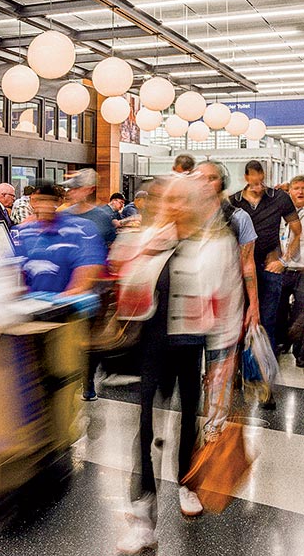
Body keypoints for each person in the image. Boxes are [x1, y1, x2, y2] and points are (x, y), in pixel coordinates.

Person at [114, 175, 243, 553]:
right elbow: (128, 289)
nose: (173, 207)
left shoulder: (216, 245)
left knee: (190, 419)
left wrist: (222, 359)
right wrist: (147, 250)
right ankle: (142, 514)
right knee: (146, 428)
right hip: (152, 344)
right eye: (168, 200)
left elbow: (229, 300)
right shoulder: (147, 237)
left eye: (180, 200)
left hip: (191, 345)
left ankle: (187, 482)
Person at [194, 160, 259, 439]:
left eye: (210, 178)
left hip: (225, 307)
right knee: (190, 369)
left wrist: (253, 305)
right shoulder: (186, 217)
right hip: (191, 305)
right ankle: (191, 422)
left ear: (222, 182)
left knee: (220, 369)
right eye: (199, 178)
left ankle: (215, 424)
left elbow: (247, 264)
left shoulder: (238, 218)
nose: (203, 183)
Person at [229, 159, 301, 358]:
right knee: (239, 320)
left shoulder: (279, 198)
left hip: (270, 266)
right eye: (253, 177)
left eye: (261, 176)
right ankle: (240, 370)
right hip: (240, 269)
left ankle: (262, 373)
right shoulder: (234, 201)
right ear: (246, 177)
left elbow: (297, 231)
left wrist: (284, 260)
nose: (258, 182)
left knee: (267, 320)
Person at [11, 180, 106, 295]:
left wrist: (59, 303)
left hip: (70, 305)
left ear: (58, 202)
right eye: (39, 200)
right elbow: (14, 271)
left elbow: (88, 272)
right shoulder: (25, 232)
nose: (44, 206)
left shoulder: (80, 229)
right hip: (33, 302)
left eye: (48, 201)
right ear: (32, 202)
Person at [279, 175, 304, 366]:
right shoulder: (281, 213)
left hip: (302, 270)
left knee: (300, 312)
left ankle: (300, 353)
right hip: (284, 269)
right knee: (278, 308)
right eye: (296, 188)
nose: (300, 192)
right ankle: (282, 342)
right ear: (289, 191)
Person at [62, 168, 117, 247]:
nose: (72, 192)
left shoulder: (102, 217)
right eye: (70, 188)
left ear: (90, 189)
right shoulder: (63, 215)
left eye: (76, 188)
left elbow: (111, 244)